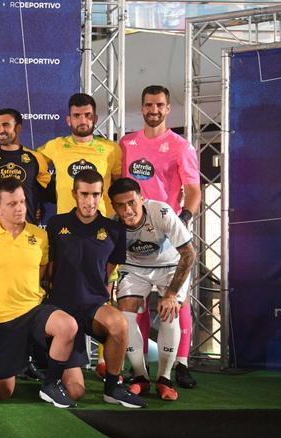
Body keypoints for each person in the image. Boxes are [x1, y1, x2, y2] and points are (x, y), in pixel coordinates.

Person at [0, 181, 78, 407]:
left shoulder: (39, 235)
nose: (20, 208)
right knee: (2, 392)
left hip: (33, 311)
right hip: (1, 320)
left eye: (22, 202)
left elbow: (42, 270)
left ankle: (50, 384)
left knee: (68, 325)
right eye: (12, 204)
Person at [120, 84, 201, 388]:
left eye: (160, 105)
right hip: (134, 232)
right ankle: (137, 366)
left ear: (168, 109)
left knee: (176, 303)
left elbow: (193, 190)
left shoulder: (181, 146)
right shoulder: (127, 143)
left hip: (168, 230)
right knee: (134, 301)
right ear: (141, 108)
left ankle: (180, 364)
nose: (154, 110)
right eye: (148, 105)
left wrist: (184, 218)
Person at [46, 170, 146, 408]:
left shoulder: (114, 230)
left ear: (101, 196)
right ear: (74, 194)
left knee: (119, 322)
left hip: (92, 307)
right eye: (84, 194)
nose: (90, 201)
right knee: (76, 392)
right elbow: (49, 269)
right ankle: (55, 372)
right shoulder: (56, 224)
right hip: (62, 311)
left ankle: (112, 388)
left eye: (95, 195)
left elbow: (107, 270)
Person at [109, 178, 197, 400]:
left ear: (142, 198)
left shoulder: (162, 212)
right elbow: (107, 261)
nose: (128, 210)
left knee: (170, 314)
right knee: (124, 318)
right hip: (135, 267)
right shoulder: (112, 224)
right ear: (114, 207)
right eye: (121, 205)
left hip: (170, 265)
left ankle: (164, 379)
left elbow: (189, 254)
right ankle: (140, 377)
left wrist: (171, 295)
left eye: (132, 202)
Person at [38, 93, 122, 218]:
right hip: (66, 222)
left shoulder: (111, 148)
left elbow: (119, 184)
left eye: (88, 115)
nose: (83, 121)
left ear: (95, 119)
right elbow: (28, 162)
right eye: (77, 116)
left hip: (103, 221)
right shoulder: (55, 145)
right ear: (69, 120)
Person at [0, 108, 51, 226]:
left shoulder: (35, 158)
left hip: (27, 233)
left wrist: (37, 206)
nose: (0, 130)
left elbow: (46, 191)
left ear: (18, 128)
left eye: (6, 125)